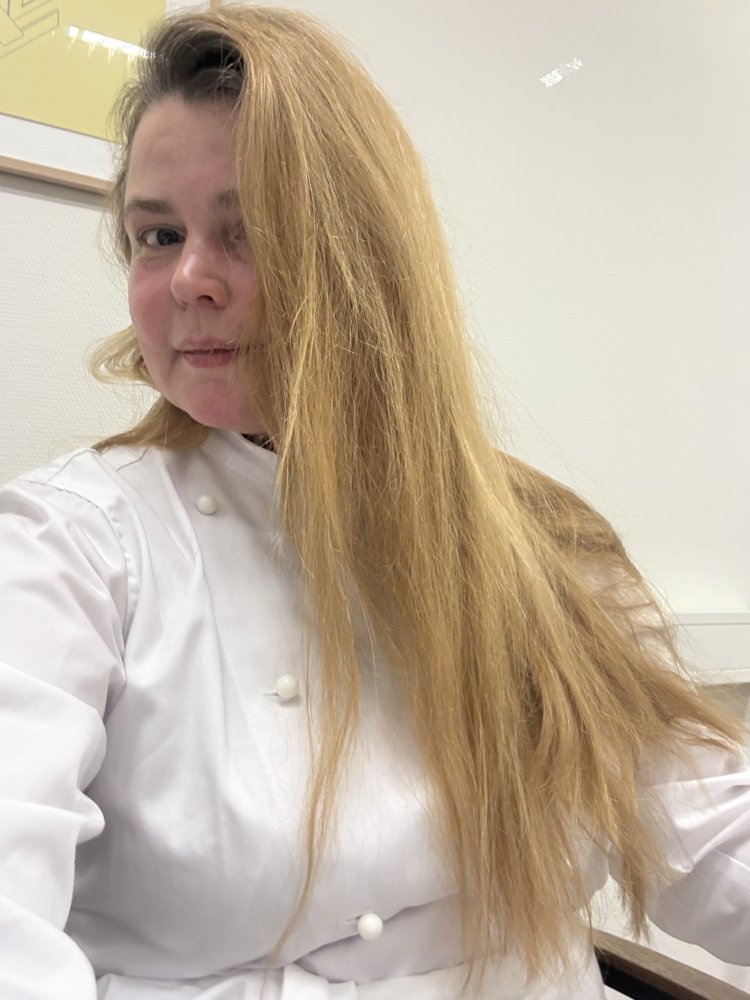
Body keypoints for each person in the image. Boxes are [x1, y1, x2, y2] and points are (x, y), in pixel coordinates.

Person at [0, 5, 748, 999]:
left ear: (369, 257)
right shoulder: (65, 547)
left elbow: (710, 835)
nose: (189, 279)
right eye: (158, 234)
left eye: (248, 230)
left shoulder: (545, 542)